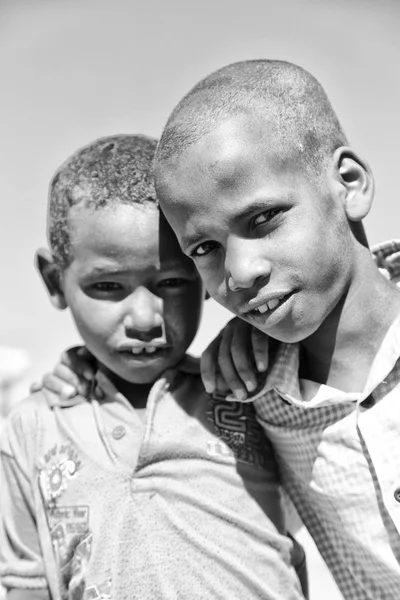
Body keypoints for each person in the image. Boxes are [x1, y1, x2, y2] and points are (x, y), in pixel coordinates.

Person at [0, 134, 305, 600]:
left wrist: (255, 332)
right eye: (107, 286)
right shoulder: (31, 428)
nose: (145, 320)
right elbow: (27, 584)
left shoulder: (249, 386)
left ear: (207, 270)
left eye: (170, 282)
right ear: (53, 280)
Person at [149, 59, 400, 599]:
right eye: (205, 249)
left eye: (262, 219)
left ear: (349, 184)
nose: (240, 273)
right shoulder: (255, 395)